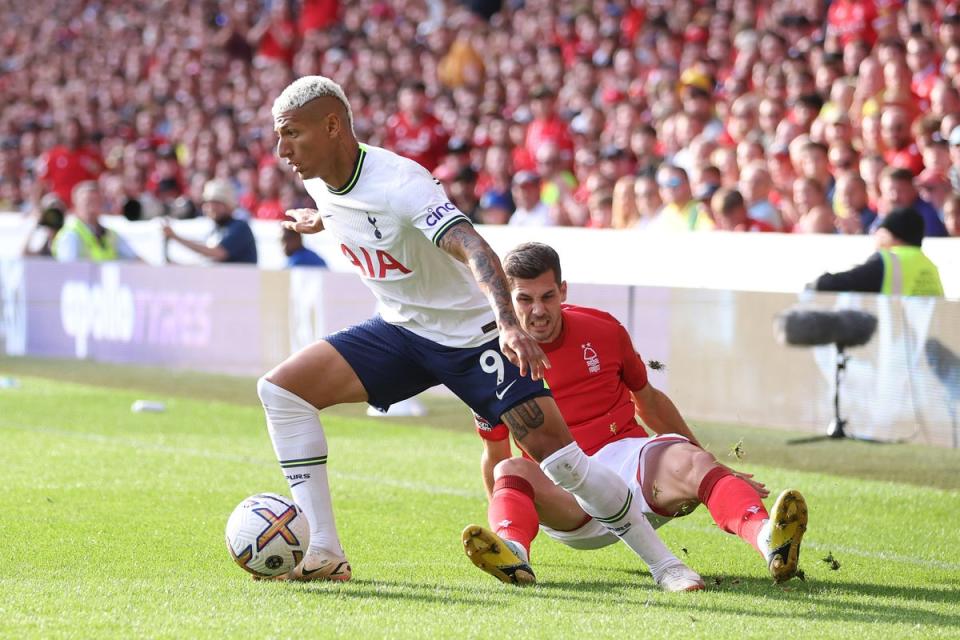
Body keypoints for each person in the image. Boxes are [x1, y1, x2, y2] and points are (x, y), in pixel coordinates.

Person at [264, 75, 701, 590]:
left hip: (474, 339)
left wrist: (508, 323)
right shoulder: (320, 181)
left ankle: (667, 565)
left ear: (332, 126)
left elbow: (474, 247)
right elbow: (355, 212)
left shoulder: (402, 183)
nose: (281, 149)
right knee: (280, 390)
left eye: (291, 133)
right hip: (402, 332)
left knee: (563, 461)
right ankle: (324, 550)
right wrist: (323, 221)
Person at [461, 242, 808, 587]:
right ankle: (513, 554)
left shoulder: (603, 329)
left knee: (691, 459)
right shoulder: (492, 361)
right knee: (511, 469)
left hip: (633, 471)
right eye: (525, 299)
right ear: (506, 296)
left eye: (547, 296)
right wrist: (507, 514)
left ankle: (770, 541)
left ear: (563, 290)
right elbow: (495, 456)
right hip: (565, 497)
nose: (538, 310)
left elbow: (649, 401)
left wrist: (712, 463)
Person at [811, 206, 944, 296]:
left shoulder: (889, 261)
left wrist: (818, 282)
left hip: (899, 335)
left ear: (890, 234)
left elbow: (839, 283)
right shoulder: (930, 265)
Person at [162, 179, 258, 264]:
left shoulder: (239, 228)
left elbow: (216, 253)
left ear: (228, 205)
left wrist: (175, 237)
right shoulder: (216, 229)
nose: (210, 208)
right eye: (207, 203)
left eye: (216, 203)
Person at [52, 181, 139, 262]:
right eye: (87, 202)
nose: (92, 207)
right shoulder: (70, 234)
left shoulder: (111, 235)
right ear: (75, 205)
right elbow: (68, 269)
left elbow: (135, 260)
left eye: (96, 202)